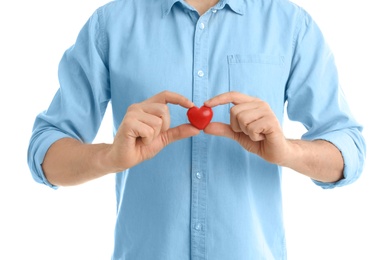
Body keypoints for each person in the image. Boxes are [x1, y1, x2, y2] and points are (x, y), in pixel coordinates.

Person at [27, 0, 366, 259]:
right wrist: (109, 157)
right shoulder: (111, 24)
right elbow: (45, 152)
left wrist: (289, 151)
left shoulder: (290, 25)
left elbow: (348, 150)